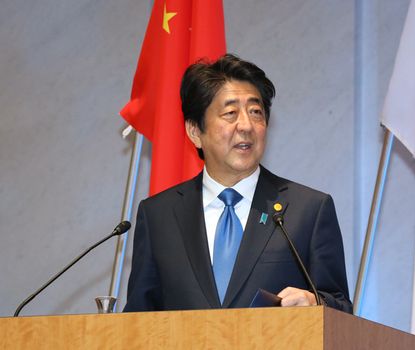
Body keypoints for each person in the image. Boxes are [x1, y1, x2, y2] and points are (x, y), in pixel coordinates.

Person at [123, 54, 352, 313]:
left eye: (256, 112)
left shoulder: (308, 210)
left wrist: (315, 303)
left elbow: (341, 309)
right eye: (230, 113)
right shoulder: (158, 216)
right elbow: (138, 320)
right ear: (195, 131)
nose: (246, 125)